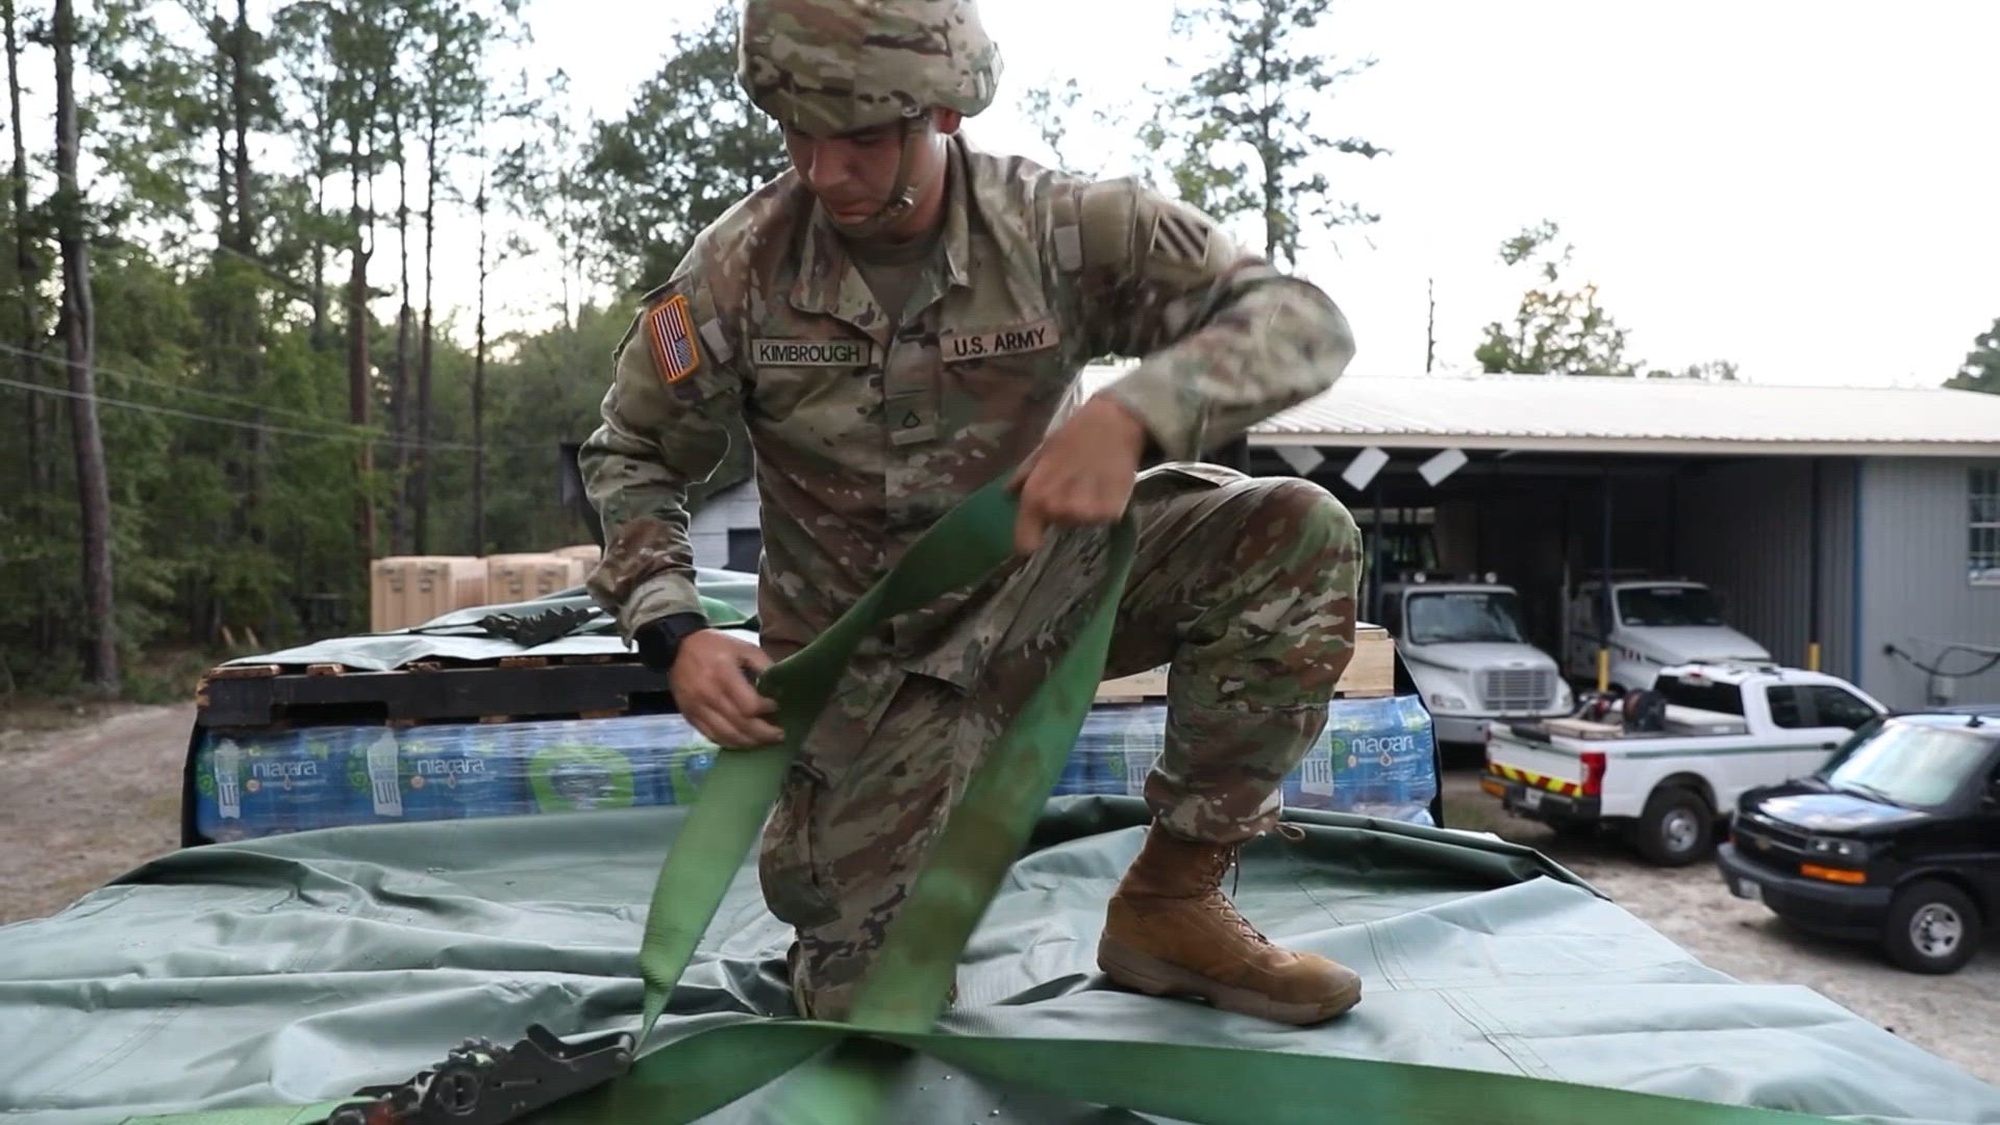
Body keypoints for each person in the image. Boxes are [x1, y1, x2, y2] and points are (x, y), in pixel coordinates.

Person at [579, 0, 1369, 1027]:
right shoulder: (738, 269)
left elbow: (1300, 322)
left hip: (1052, 589)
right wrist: (672, 629)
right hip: (873, 672)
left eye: (860, 138)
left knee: (1293, 533)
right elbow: (632, 449)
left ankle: (1173, 904)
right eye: (796, 134)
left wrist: (1136, 414)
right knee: (865, 1012)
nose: (823, 172)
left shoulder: (1061, 230)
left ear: (942, 113)